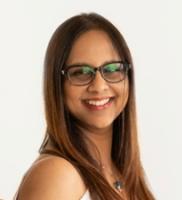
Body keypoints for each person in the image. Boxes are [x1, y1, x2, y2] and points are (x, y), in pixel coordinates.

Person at [15, 12, 155, 200]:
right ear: (57, 85)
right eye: (81, 72)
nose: (99, 86)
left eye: (112, 69)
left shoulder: (120, 172)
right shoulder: (58, 174)